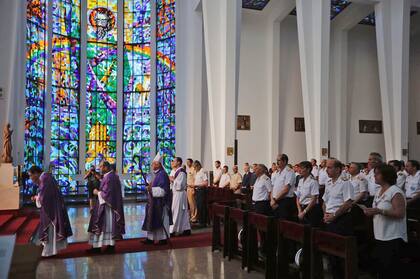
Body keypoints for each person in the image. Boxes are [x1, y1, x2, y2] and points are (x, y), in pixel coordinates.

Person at [363, 164, 407, 279]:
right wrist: (370, 211)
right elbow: (377, 208)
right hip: (380, 234)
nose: (374, 176)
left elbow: (400, 213)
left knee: (390, 270)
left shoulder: (395, 191)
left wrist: (379, 211)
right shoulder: (379, 191)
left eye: (377, 174)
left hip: (393, 235)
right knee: (381, 268)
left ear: (386, 175)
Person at [29, 166, 72, 257]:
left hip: (51, 211)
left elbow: (44, 198)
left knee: (51, 231)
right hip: (53, 208)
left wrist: (36, 198)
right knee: (51, 231)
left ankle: (50, 252)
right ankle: (50, 251)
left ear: (36, 173)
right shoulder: (46, 178)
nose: (30, 178)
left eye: (30, 175)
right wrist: (38, 197)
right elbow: (45, 194)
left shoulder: (45, 179)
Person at [322, 159, 355, 279]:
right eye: (326, 167)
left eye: (330, 167)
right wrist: (325, 214)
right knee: (331, 250)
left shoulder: (345, 183)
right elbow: (325, 201)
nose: (327, 169)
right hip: (329, 218)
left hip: (341, 219)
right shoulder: (329, 182)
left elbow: (348, 203)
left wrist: (334, 216)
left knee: (340, 251)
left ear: (338, 169)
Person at [87, 161, 125, 253]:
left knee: (103, 225)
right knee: (108, 227)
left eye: (100, 167)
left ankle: (98, 248)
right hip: (108, 206)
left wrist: (97, 192)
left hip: (107, 207)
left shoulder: (110, 177)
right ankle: (109, 246)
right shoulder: (110, 176)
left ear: (106, 167)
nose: (99, 169)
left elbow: (107, 194)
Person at [142, 153, 172, 245]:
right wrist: (149, 188)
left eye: (154, 163)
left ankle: (162, 239)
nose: (152, 165)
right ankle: (150, 238)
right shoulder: (157, 174)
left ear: (159, 164)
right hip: (153, 202)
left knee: (160, 220)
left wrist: (151, 189)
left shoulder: (162, 175)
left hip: (160, 203)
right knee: (151, 219)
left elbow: (163, 191)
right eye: (152, 164)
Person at [295, 161, 322, 227]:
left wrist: (304, 212)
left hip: (311, 209)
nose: (299, 170)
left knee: (310, 231)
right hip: (301, 208)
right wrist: (299, 211)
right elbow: (298, 196)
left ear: (308, 169)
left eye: (301, 168)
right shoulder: (300, 180)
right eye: (299, 168)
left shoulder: (313, 181)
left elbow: (314, 199)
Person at [169, 157, 191, 236]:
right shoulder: (176, 171)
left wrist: (172, 180)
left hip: (179, 194)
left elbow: (180, 185)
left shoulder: (181, 172)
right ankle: (185, 229)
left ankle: (173, 230)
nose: (172, 162)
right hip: (176, 194)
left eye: (173, 161)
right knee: (180, 212)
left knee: (176, 211)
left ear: (178, 162)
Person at [271, 154, 296, 220]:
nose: (277, 162)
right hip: (275, 200)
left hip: (285, 201)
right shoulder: (278, 172)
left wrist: (274, 200)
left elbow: (286, 190)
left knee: (283, 222)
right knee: (276, 222)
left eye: (279, 160)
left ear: (284, 161)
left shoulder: (289, 171)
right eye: (277, 160)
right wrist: (272, 200)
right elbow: (273, 187)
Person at [194, 160, 208, 226]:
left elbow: (206, 183)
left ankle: (203, 222)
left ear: (198, 166)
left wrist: (196, 185)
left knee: (201, 206)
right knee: (198, 206)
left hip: (201, 191)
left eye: (195, 167)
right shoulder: (198, 172)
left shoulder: (202, 172)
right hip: (197, 190)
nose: (194, 168)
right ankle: (200, 220)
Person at [186, 158, 197, 223]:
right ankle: (192, 215)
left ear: (191, 162)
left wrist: (194, 188)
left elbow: (195, 179)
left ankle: (194, 217)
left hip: (192, 188)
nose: (187, 163)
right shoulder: (188, 169)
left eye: (188, 162)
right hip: (188, 188)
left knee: (193, 203)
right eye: (186, 162)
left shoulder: (194, 169)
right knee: (190, 204)